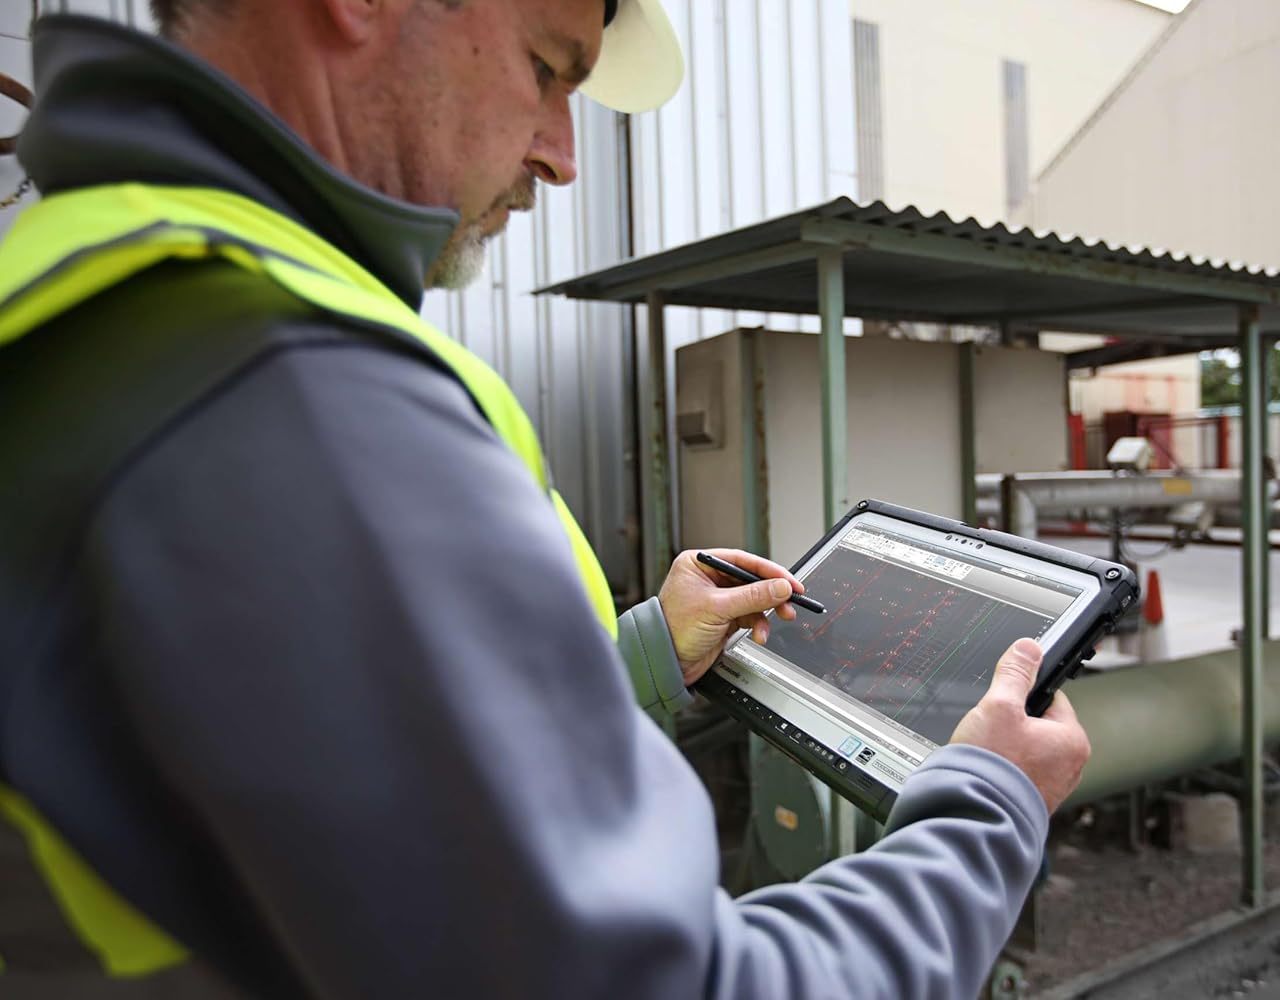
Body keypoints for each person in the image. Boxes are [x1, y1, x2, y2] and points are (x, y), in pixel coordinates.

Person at [0, 1, 1091, 997]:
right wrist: (987, 806)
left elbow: (361, 781)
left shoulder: (95, 287)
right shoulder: (287, 384)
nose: (562, 155)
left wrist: (649, 652)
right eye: (545, 68)